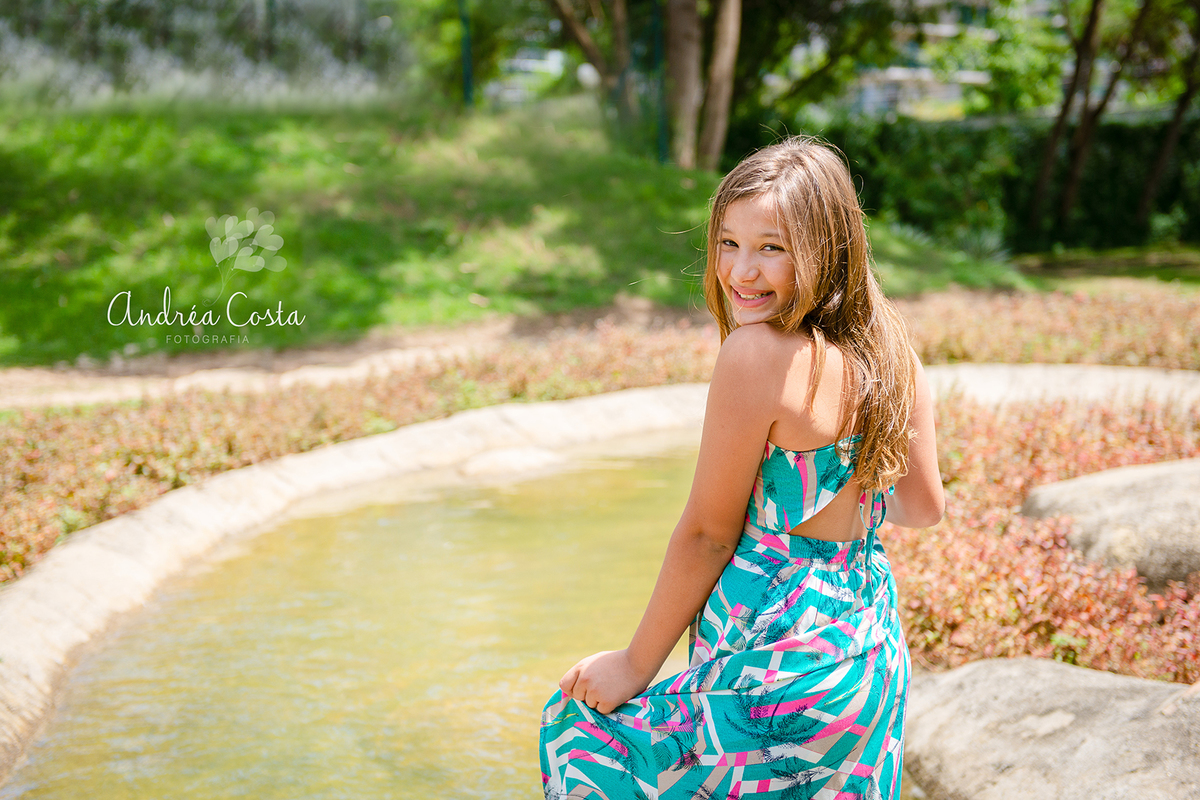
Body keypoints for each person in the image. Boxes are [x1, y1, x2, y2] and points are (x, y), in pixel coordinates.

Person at [539, 136, 945, 799]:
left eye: (771, 248)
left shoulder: (756, 356)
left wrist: (634, 665)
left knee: (578, 732)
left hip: (774, 657)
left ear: (825, 249)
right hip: (865, 657)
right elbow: (924, 508)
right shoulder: (897, 359)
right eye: (728, 243)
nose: (741, 272)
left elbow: (709, 535)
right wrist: (841, 493)